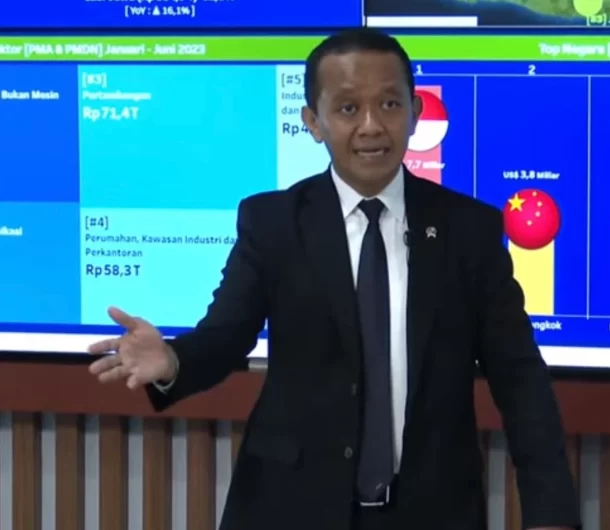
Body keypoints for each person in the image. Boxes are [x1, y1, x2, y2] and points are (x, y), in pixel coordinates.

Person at [88, 28, 581, 530]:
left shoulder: (468, 230)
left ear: (415, 112)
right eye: (348, 108)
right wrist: (172, 360)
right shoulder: (275, 223)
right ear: (313, 122)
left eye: (389, 104)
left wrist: (551, 514)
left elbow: (520, 378)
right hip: (290, 509)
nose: (371, 126)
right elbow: (225, 337)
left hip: (431, 511)